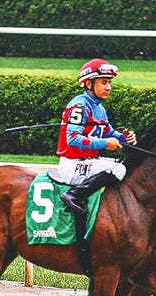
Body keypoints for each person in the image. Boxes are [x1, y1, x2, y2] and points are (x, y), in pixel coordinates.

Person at [56, 58, 137, 215]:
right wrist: (104, 144)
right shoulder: (79, 106)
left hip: (88, 162)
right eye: (104, 82)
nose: (108, 87)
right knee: (119, 169)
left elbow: (108, 132)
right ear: (88, 84)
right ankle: (74, 195)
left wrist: (124, 138)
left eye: (109, 83)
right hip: (72, 166)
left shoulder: (99, 107)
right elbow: (72, 138)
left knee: (127, 164)